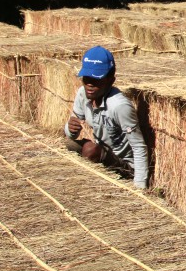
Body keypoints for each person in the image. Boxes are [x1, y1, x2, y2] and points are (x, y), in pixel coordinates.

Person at [64, 46, 149, 189]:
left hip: (123, 164)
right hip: (102, 150)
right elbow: (71, 131)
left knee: (90, 150)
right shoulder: (82, 94)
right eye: (86, 79)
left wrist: (139, 187)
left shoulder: (119, 106)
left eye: (96, 80)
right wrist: (70, 129)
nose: (90, 84)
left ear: (111, 80)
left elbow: (139, 147)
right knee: (64, 145)